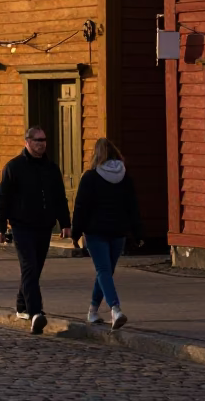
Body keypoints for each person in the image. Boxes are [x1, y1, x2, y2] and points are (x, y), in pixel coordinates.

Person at [0, 126, 71, 335]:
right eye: (37, 140)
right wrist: (0, 226)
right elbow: (3, 198)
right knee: (29, 266)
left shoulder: (51, 168)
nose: (41, 144)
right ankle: (36, 313)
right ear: (27, 142)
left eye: (44, 140)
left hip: (44, 225)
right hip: (21, 226)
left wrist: (65, 223)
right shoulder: (14, 167)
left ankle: (22, 306)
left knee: (35, 269)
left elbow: (59, 198)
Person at [72, 137, 143, 331]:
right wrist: (138, 232)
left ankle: (106, 309)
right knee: (106, 271)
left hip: (96, 232)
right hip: (118, 231)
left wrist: (75, 232)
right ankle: (103, 309)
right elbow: (132, 207)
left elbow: (81, 207)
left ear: (96, 155)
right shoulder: (125, 177)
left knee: (104, 272)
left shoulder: (90, 178)